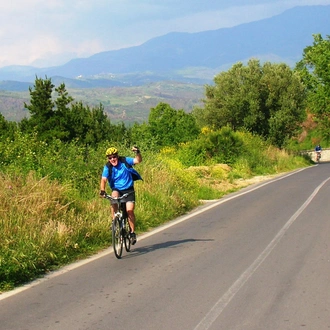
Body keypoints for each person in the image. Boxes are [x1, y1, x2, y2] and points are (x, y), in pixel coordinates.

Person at [100, 146, 142, 245]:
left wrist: (137, 152)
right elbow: (104, 179)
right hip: (117, 189)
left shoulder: (124, 161)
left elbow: (138, 160)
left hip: (128, 189)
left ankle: (132, 233)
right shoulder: (108, 167)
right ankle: (114, 220)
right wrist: (102, 190)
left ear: (117, 156)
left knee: (129, 210)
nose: (112, 159)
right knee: (113, 197)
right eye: (110, 158)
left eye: (114, 157)